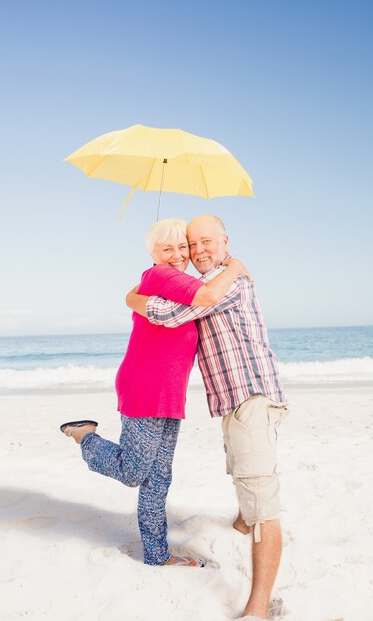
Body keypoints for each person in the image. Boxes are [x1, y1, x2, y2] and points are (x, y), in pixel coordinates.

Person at [60, 218, 248, 568]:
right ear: (153, 253)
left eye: (182, 248)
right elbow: (209, 293)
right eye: (167, 249)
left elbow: (195, 293)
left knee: (159, 478)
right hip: (144, 387)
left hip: (170, 395)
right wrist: (235, 264)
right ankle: (85, 437)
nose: (178, 255)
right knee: (134, 472)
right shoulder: (160, 276)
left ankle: (157, 556)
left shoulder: (177, 282)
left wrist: (132, 295)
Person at [126, 215, 288, 619]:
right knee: (241, 472)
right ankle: (241, 524)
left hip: (252, 397)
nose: (197, 251)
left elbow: (166, 315)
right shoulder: (208, 282)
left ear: (225, 241)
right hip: (233, 402)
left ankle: (257, 607)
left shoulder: (227, 281)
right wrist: (139, 290)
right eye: (190, 244)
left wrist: (134, 297)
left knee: (262, 501)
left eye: (205, 242)